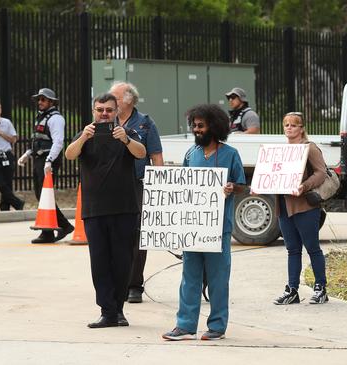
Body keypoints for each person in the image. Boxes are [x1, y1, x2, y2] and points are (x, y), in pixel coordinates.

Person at [162, 104, 245, 341]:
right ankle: (185, 325)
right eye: (194, 126)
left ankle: (217, 326)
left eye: (201, 125)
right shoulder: (191, 154)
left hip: (219, 228)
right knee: (189, 277)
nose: (197, 130)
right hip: (193, 228)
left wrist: (232, 187)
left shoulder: (230, 154)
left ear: (214, 126)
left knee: (218, 279)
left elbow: (241, 184)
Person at [65, 93, 146, 328]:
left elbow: (141, 152)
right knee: (99, 261)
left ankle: (118, 310)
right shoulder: (85, 134)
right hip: (94, 209)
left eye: (109, 110)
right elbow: (70, 154)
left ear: (116, 111)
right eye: (100, 109)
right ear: (94, 111)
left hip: (124, 208)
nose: (104, 114)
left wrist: (126, 141)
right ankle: (107, 311)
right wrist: (82, 139)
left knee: (122, 260)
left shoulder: (126, 133)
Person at [109, 81, 164, 304]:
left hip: (139, 185)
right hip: (112, 187)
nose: (111, 101)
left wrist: (159, 189)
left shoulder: (145, 124)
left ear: (129, 100)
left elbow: (157, 157)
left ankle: (134, 284)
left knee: (138, 236)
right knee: (114, 235)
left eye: (116, 98)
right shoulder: (106, 122)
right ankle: (117, 282)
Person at [272, 111, 328, 305]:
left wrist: (305, 186)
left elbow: (322, 173)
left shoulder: (309, 148)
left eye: (294, 125)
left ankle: (321, 288)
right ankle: (292, 290)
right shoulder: (281, 150)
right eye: (286, 124)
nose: (289, 127)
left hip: (304, 205)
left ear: (302, 128)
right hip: (284, 206)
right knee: (292, 249)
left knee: (312, 247)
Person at [18, 88, 74, 243]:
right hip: (39, 159)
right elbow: (39, 140)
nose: (40, 102)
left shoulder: (56, 119)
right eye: (39, 99)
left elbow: (58, 142)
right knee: (41, 195)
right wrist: (27, 154)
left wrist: (49, 160)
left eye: (43, 99)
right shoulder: (41, 117)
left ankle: (52, 231)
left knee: (44, 195)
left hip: (48, 160)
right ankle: (58, 228)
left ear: (51, 102)